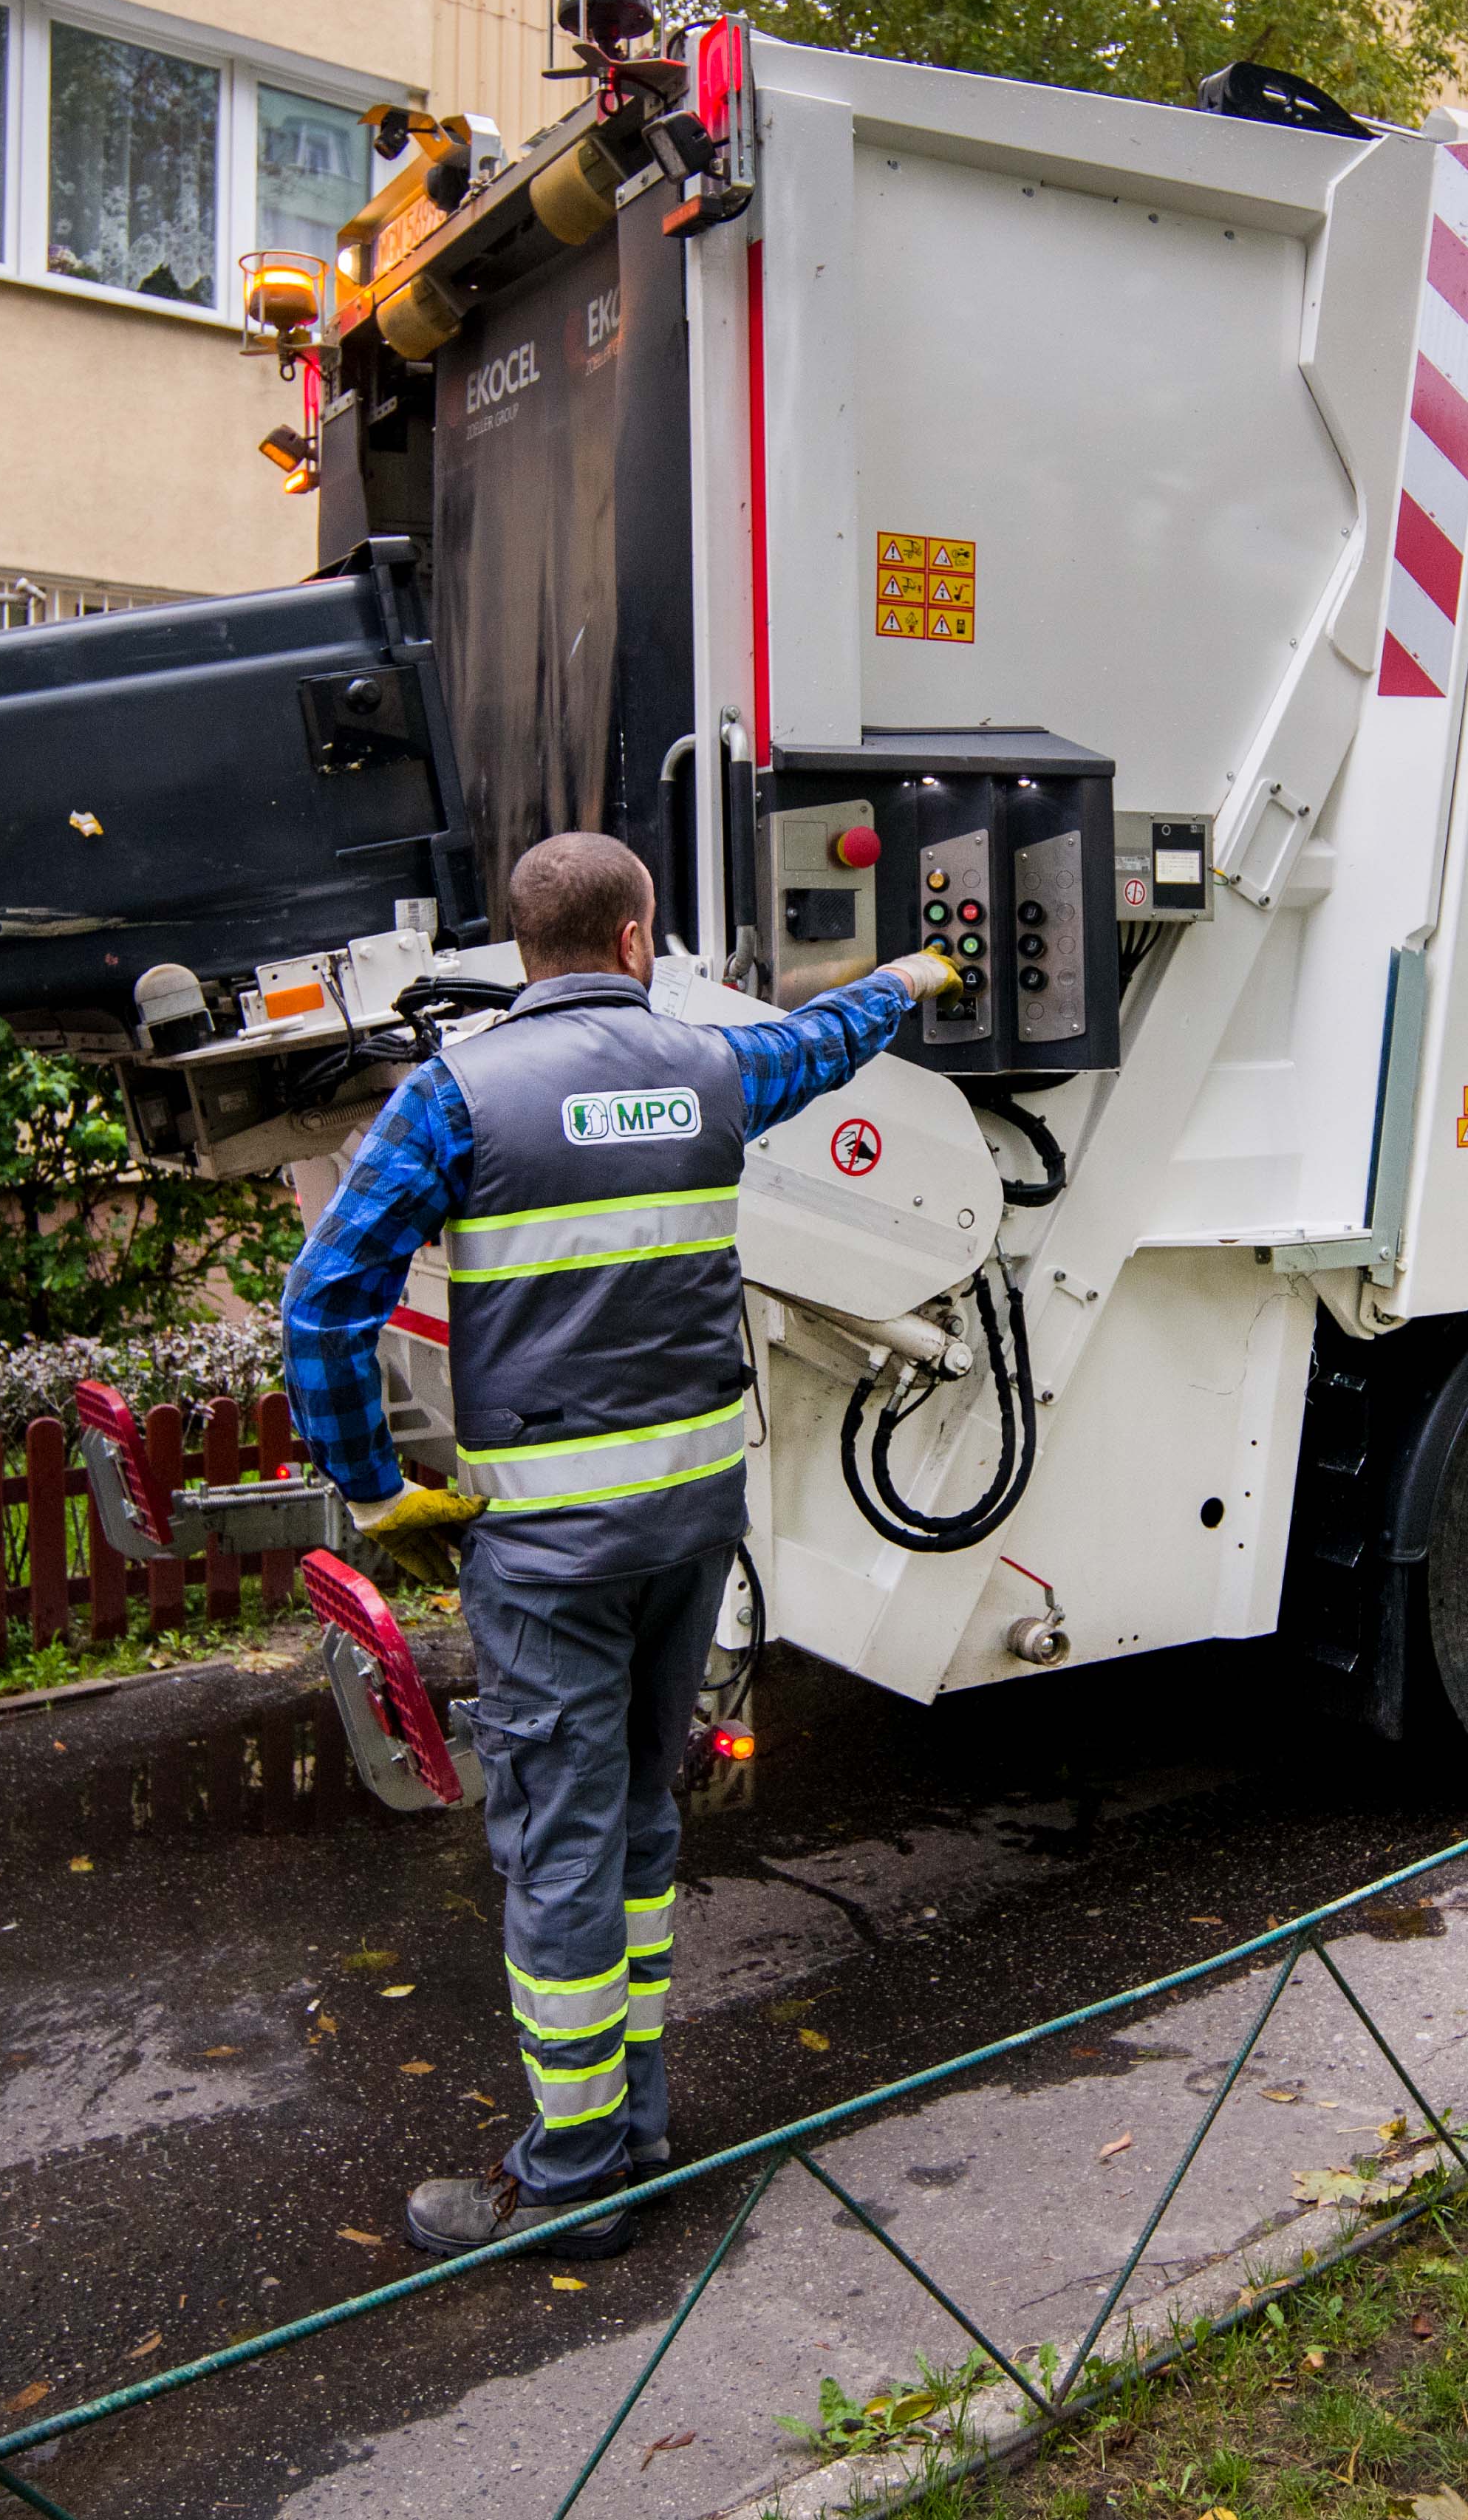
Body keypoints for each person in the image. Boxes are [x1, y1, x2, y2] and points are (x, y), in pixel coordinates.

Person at [282, 833, 960, 2261]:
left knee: (562, 1850)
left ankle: (579, 2178)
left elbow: (323, 1301)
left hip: (548, 1555)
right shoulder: (710, 1070)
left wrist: (372, 1483)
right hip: (690, 1527)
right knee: (642, 1821)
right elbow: (820, 1044)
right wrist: (901, 978)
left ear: (523, 947)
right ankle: (636, 2125)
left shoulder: (455, 1096)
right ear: (640, 934)